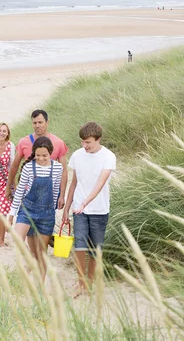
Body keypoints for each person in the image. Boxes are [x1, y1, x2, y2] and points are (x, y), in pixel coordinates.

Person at [62, 122, 116, 296]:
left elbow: (100, 183)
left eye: (88, 143)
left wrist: (86, 201)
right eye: (82, 142)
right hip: (80, 209)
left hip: (99, 210)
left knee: (95, 249)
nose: (84, 146)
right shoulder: (78, 156)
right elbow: (74, 183)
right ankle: (80, 283)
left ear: (98, 139)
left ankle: (89, 283)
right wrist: (67, 208)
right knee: (79, 246)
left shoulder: (108, 156)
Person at [7, 137, 63, 280]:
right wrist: (12, 213)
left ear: (50, 152)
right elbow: (19, 191)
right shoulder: (28, 167)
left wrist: (53, 211)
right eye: (37, 155)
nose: (41, 158)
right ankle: (30, 261)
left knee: (41, 253)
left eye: (44, 155)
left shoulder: (58, 167)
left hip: (46, 214)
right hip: (28, 209)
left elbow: (55, 190)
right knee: (18, 238)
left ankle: (40, 287)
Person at [5, 109, 68, 210]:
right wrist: (8, 187)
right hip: (28, 192)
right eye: (35, 123)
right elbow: (15, 165)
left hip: (49, 194)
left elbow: (64, 171)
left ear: (47, 123)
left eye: (40, 122)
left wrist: (62, 195)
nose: (37, 125)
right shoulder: (23, 142)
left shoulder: (58, 143)